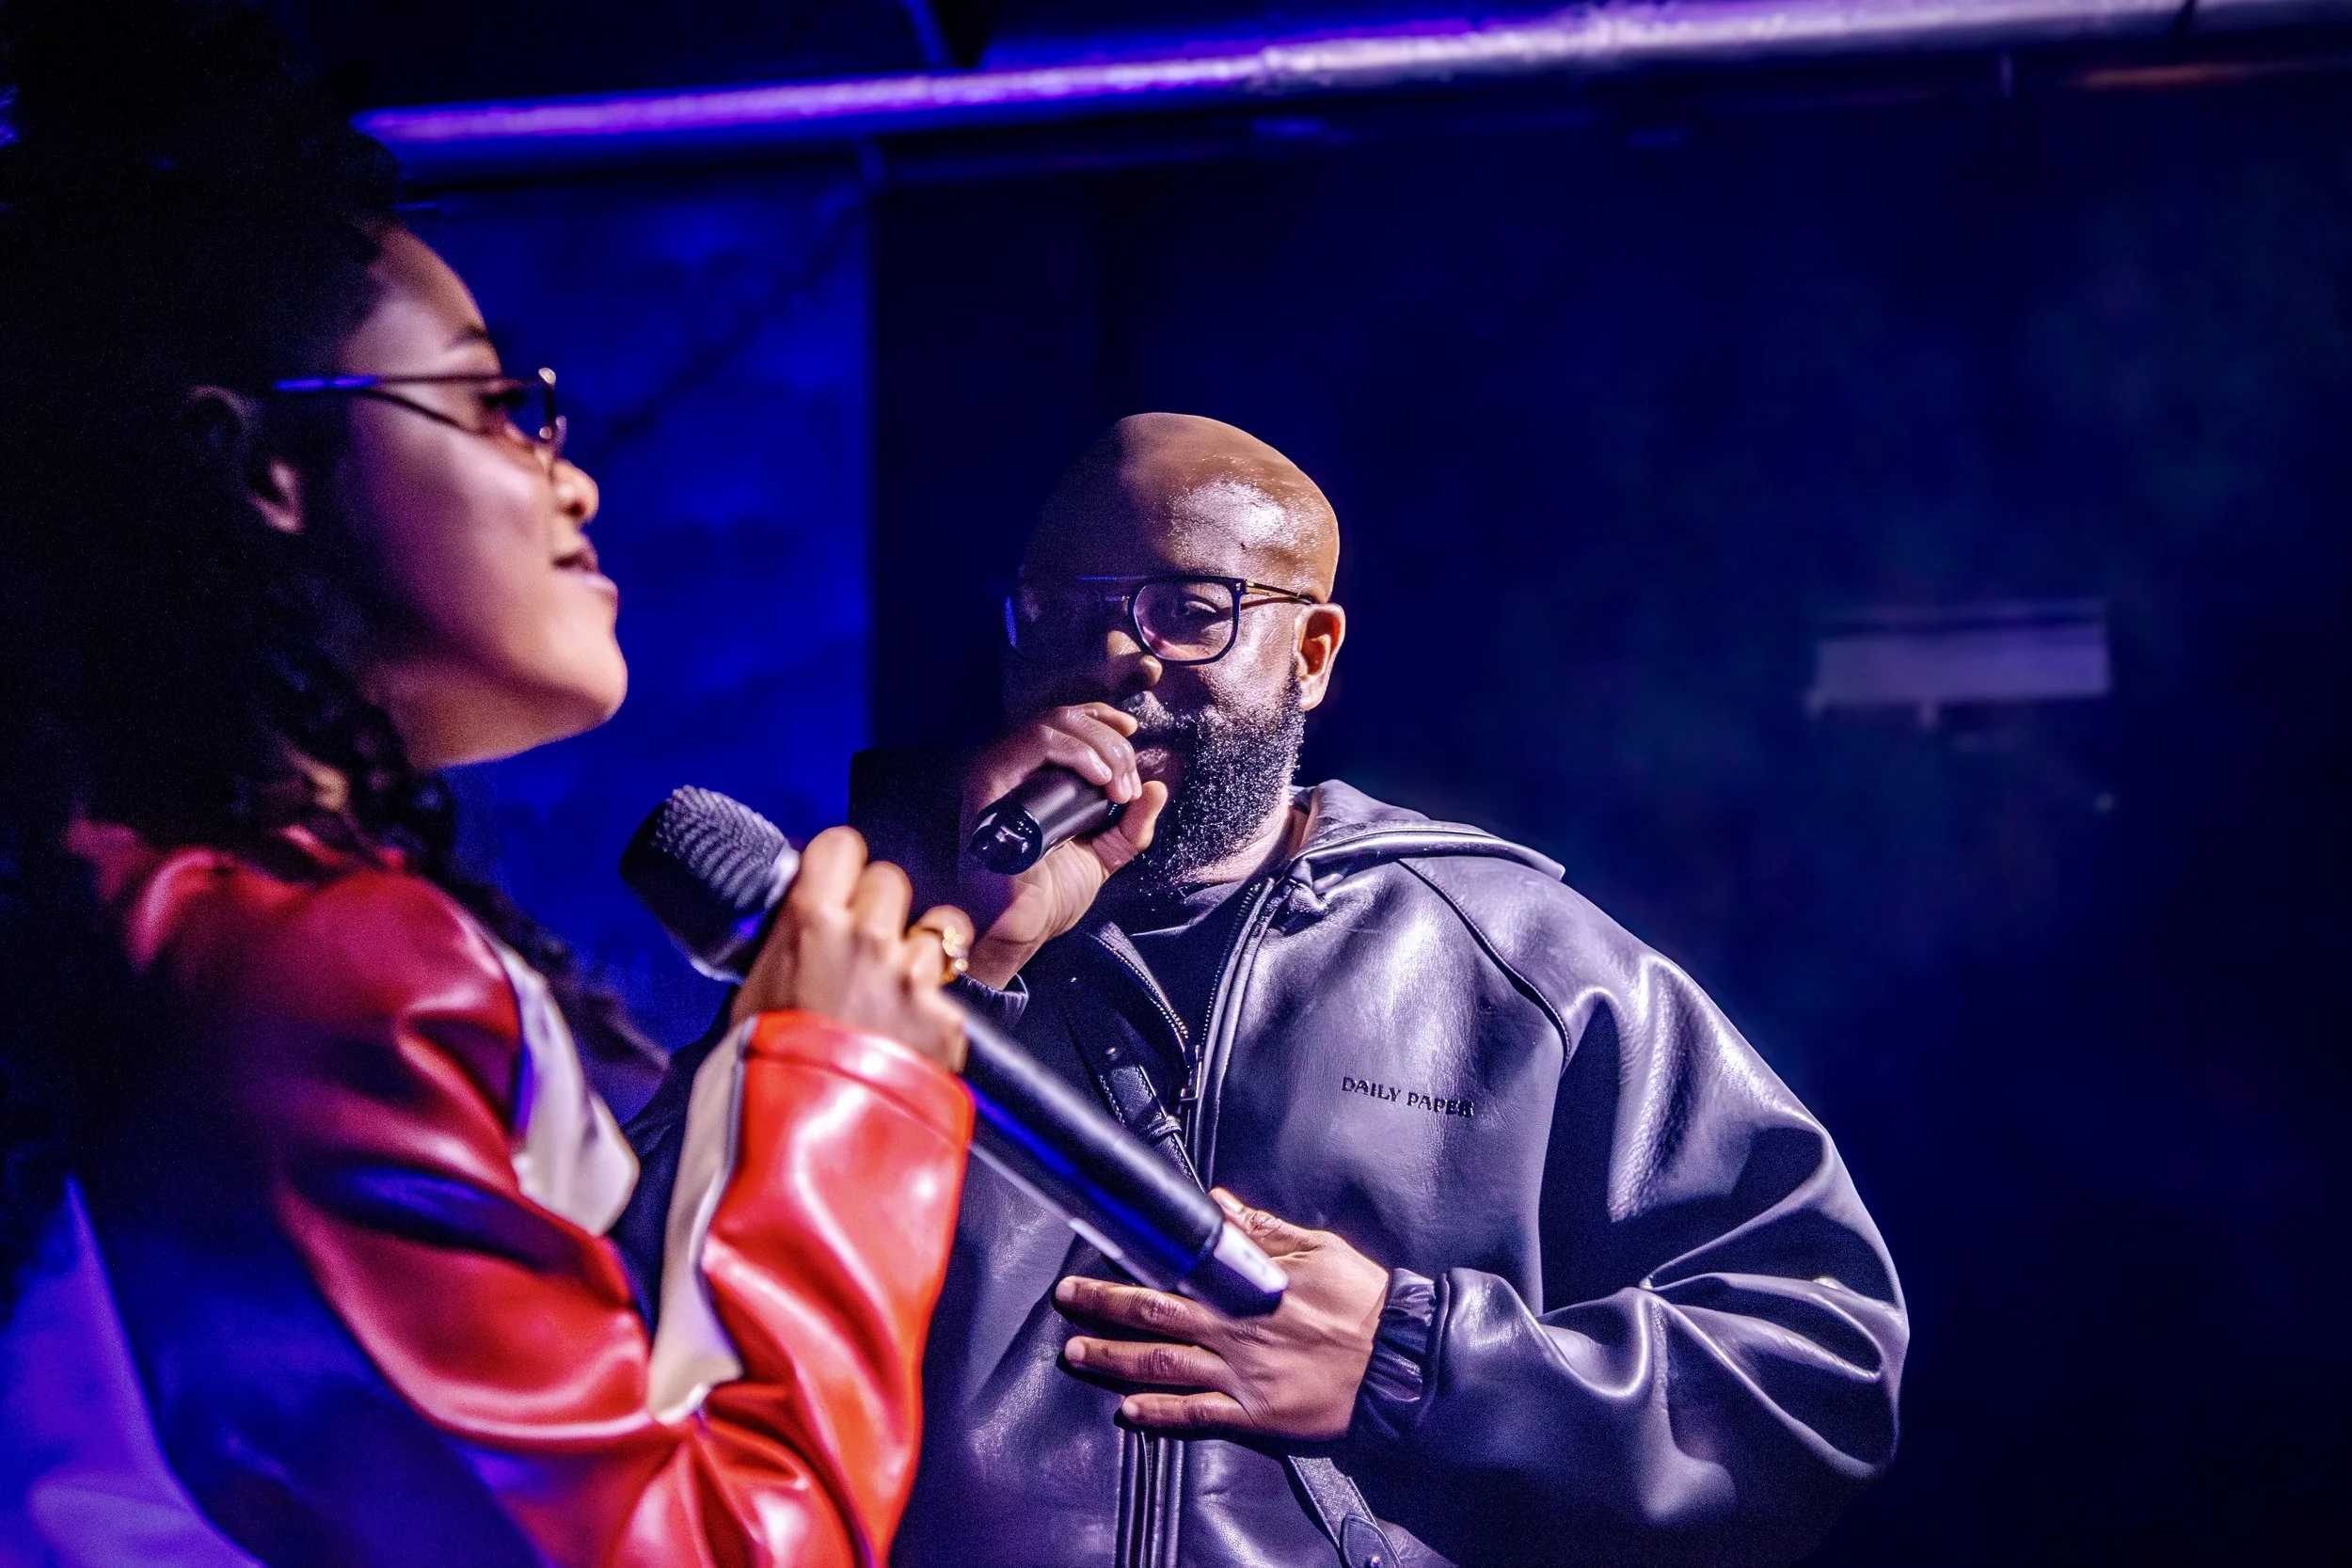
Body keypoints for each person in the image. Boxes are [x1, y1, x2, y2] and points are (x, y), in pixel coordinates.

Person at [0, 5, 977, 1564]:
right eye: (486, 404)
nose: (568, 471)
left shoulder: (146, 913)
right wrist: (843, 1093)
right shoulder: (322, 976)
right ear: (259, 467)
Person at [853, 414, 1907, 1566]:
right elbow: (699, 1274)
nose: (1111, 654)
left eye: (1188, 610)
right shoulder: (875, 923)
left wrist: (1414, 1358)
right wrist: (964, 950)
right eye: (1056, 608)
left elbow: (1818, 1371)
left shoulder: (1520, 967)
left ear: (1311, 653)